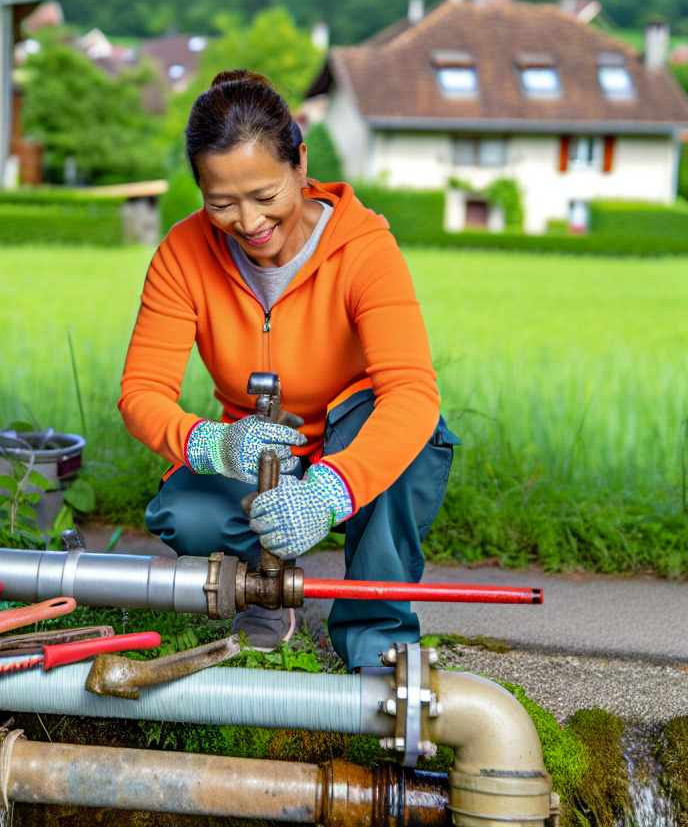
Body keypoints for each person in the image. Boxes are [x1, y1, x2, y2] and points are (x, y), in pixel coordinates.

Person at [118, 70, 459, 668]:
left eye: (265, 196)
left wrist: (334, 490)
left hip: (349, 436)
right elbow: (142, 392)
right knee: (186, 512)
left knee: (411, 444)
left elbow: (411, 392)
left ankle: (377, 637)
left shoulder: (365, 250)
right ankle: (263, 593)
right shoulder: (181, 254)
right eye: (221, 203)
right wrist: (212, 444)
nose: (248, 223)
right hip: (257, 445)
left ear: (301, 163)